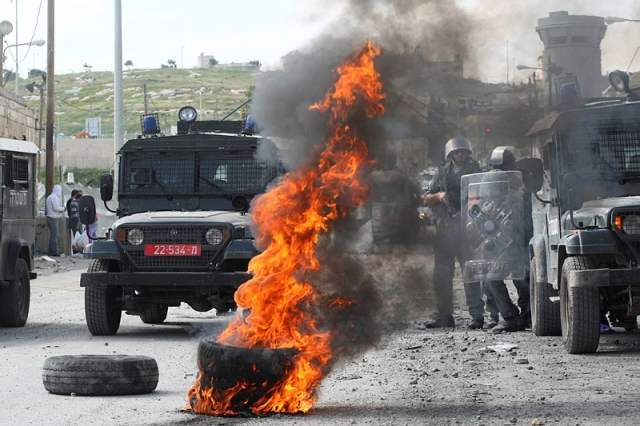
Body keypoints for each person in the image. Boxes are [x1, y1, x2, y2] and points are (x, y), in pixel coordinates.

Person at [423, 136, 486, 329]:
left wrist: (464, 211)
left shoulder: (475, 171)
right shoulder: (441, 172)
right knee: (441, 275)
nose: (460, 154)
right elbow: (426, 199)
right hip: (444, 229)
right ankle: (445, 316)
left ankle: (477, 316)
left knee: (470, 273)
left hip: (467, 229)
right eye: (456, 152)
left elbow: (482, 196)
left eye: (463, 151)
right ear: (450, 153)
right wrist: (439, 196)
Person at [482, 146, 530, 333]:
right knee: (489, 281)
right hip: (503, 246)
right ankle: (512, 316)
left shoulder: (517, 198)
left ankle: (515, 318)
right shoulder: (496, 201)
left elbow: (514, 228)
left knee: (513, 280)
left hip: (518, 246)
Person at [46, 184, 67, 257]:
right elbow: (56, 208)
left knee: (52, 236)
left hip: (50, 218)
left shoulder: (49, 197)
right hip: (53, 218)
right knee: (54, 236)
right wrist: (63, 209)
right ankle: (54, 252)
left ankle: (50, 251)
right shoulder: (54, 197)